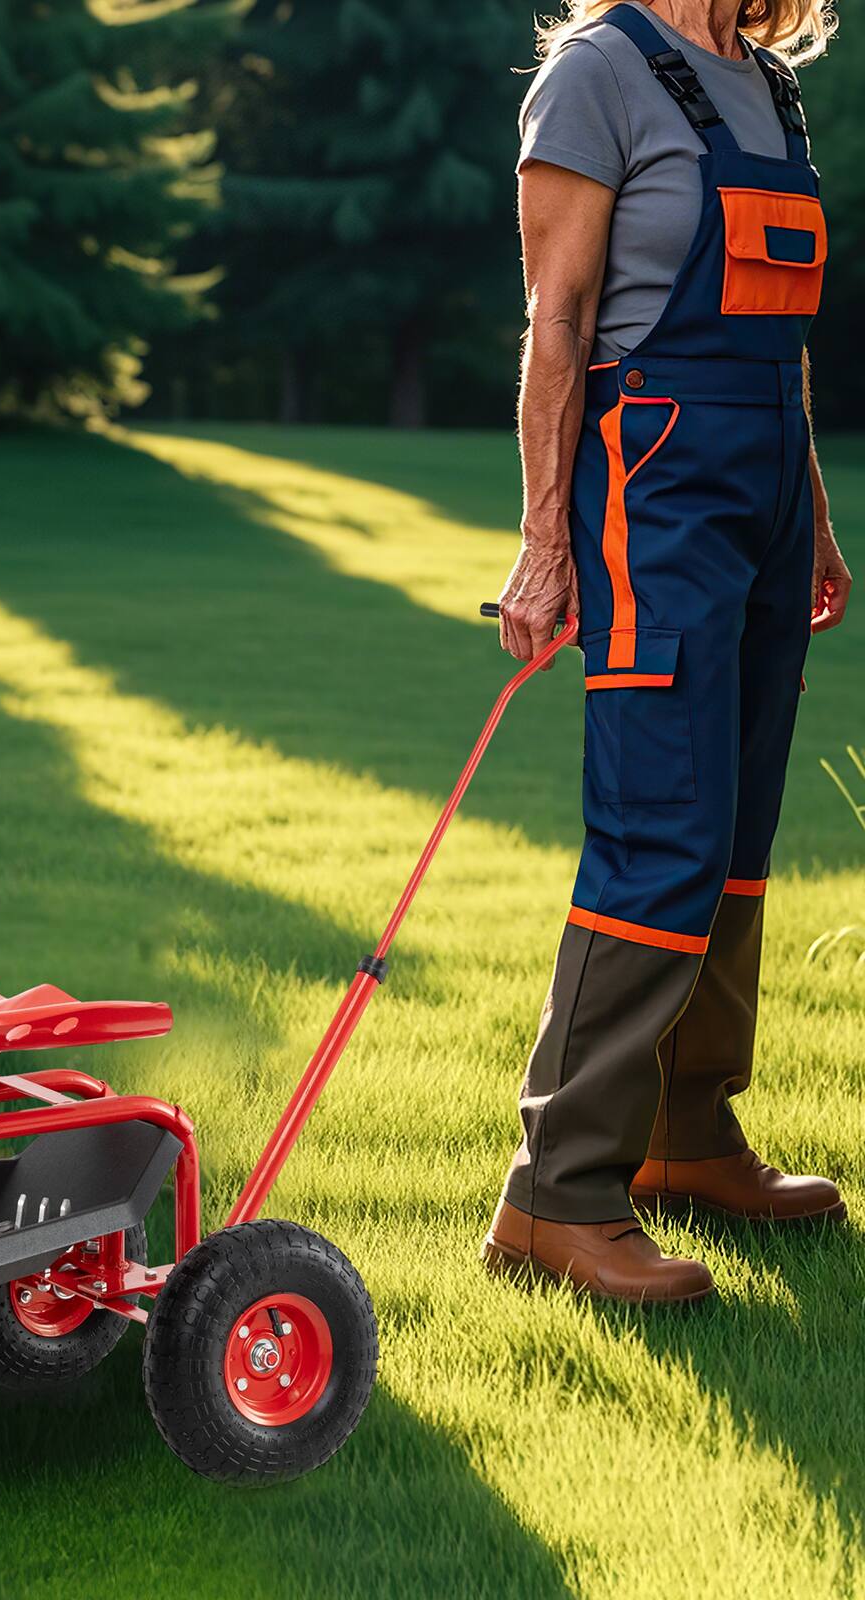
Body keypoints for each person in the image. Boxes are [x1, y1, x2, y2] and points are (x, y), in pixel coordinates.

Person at [484, 0, 851, 1304]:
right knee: (664, 829)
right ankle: (559, 1194)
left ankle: (687, 1138)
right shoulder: (598, 76)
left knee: (740, 829)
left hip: (760, 494)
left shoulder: (768, 86)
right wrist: (545, 543)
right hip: (652, 484)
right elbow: (560, 318)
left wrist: (807, 509)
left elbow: (777, 335)